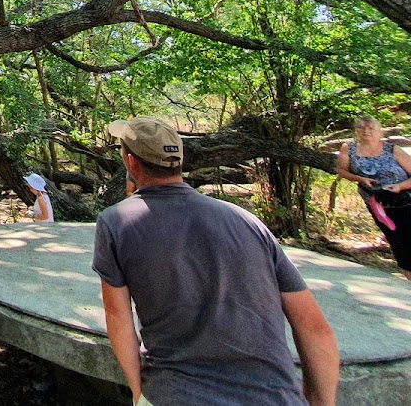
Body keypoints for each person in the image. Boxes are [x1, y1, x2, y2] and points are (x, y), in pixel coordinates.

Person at [93, 116, 339, 406]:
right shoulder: (247, 221)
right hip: (274, 396)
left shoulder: (115, 223)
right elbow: (313, 327)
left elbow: (118, 316)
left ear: (132, 163)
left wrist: (138, 391)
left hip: (177, 393)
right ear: (179, 162)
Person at [336, 116, 411, 281]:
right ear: (356, 131)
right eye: (361, 128)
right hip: (378, 204)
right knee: (398, 242)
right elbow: (342, 170)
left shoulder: (392, 149)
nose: (366, 131)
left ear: (380, 131)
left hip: (406, 201)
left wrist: (400, 186)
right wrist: (360, 179)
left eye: (371, 128)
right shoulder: (348, 149)